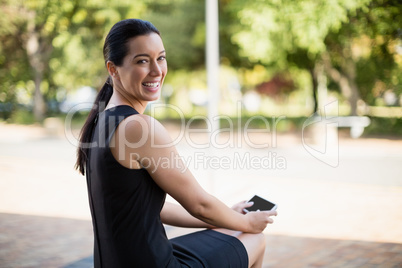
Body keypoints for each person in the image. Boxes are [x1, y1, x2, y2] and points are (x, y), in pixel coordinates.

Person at [75, 18, 277, 268]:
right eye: (142, 61)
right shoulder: (139, 128)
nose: (157, 70)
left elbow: (152, 209)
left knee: (230, 231)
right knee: (254, 238)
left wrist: (224, 217)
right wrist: (248, 223)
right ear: (113, 69)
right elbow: (199, 204)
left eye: (160, 57)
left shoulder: (100, 121)